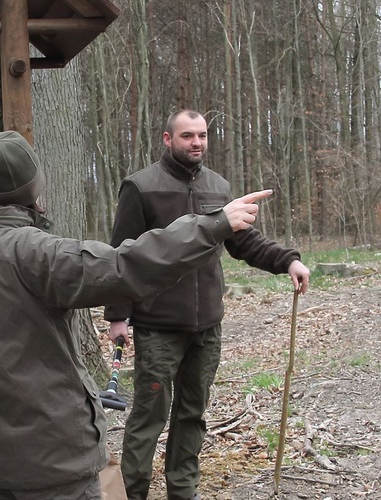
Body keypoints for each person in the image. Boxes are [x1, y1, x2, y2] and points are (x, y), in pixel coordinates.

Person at [0, 130, 273, 500]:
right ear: (32, 187)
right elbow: (125, 266)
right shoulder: (36, 252)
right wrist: (212, 225)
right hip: (58, 464)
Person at [104, 109, 311, 500]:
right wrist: (118, 315)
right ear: (167, 139)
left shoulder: (219, 187)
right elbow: (121, 255)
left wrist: (288, 260)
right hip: (158, 325)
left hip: (206, 327)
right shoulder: (141, 186)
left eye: (202, 135)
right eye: (187, 136)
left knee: (192, 414)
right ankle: (131, 493)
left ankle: (183, 489)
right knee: (148, 417)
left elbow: (245, 242)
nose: (196, 143)